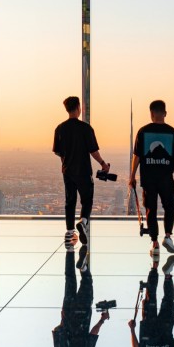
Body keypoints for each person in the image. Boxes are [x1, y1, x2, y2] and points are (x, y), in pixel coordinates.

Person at [129, 100, 174, 256]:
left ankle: (155, 243)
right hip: (166, 178)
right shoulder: (173, 133)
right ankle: (168, 236)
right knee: (169, 207)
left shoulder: (143, 132)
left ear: (151, 113)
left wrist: (132, 176)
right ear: (165, 113)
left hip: (149, 178)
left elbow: (137, 157)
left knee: (150, 209)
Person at [53, 96, 109, 246]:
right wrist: (103, 164)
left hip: (68, 171)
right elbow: (93, 151)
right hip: (83, 171)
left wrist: (65, 165)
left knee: (69, 201)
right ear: (78, 107)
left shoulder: (60, 129)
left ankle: (70, 233)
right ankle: (83, 221)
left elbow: (59, 152)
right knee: (87, 199)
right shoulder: (85, 128)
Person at [52, 246, 110, 347]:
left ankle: (83, 267)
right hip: (68, 310)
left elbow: (93, 333)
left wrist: (102, 320)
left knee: (87, 281)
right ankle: (70, 249)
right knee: (69, 278)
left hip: (83, 313)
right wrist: (64, 322)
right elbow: (56, 329)